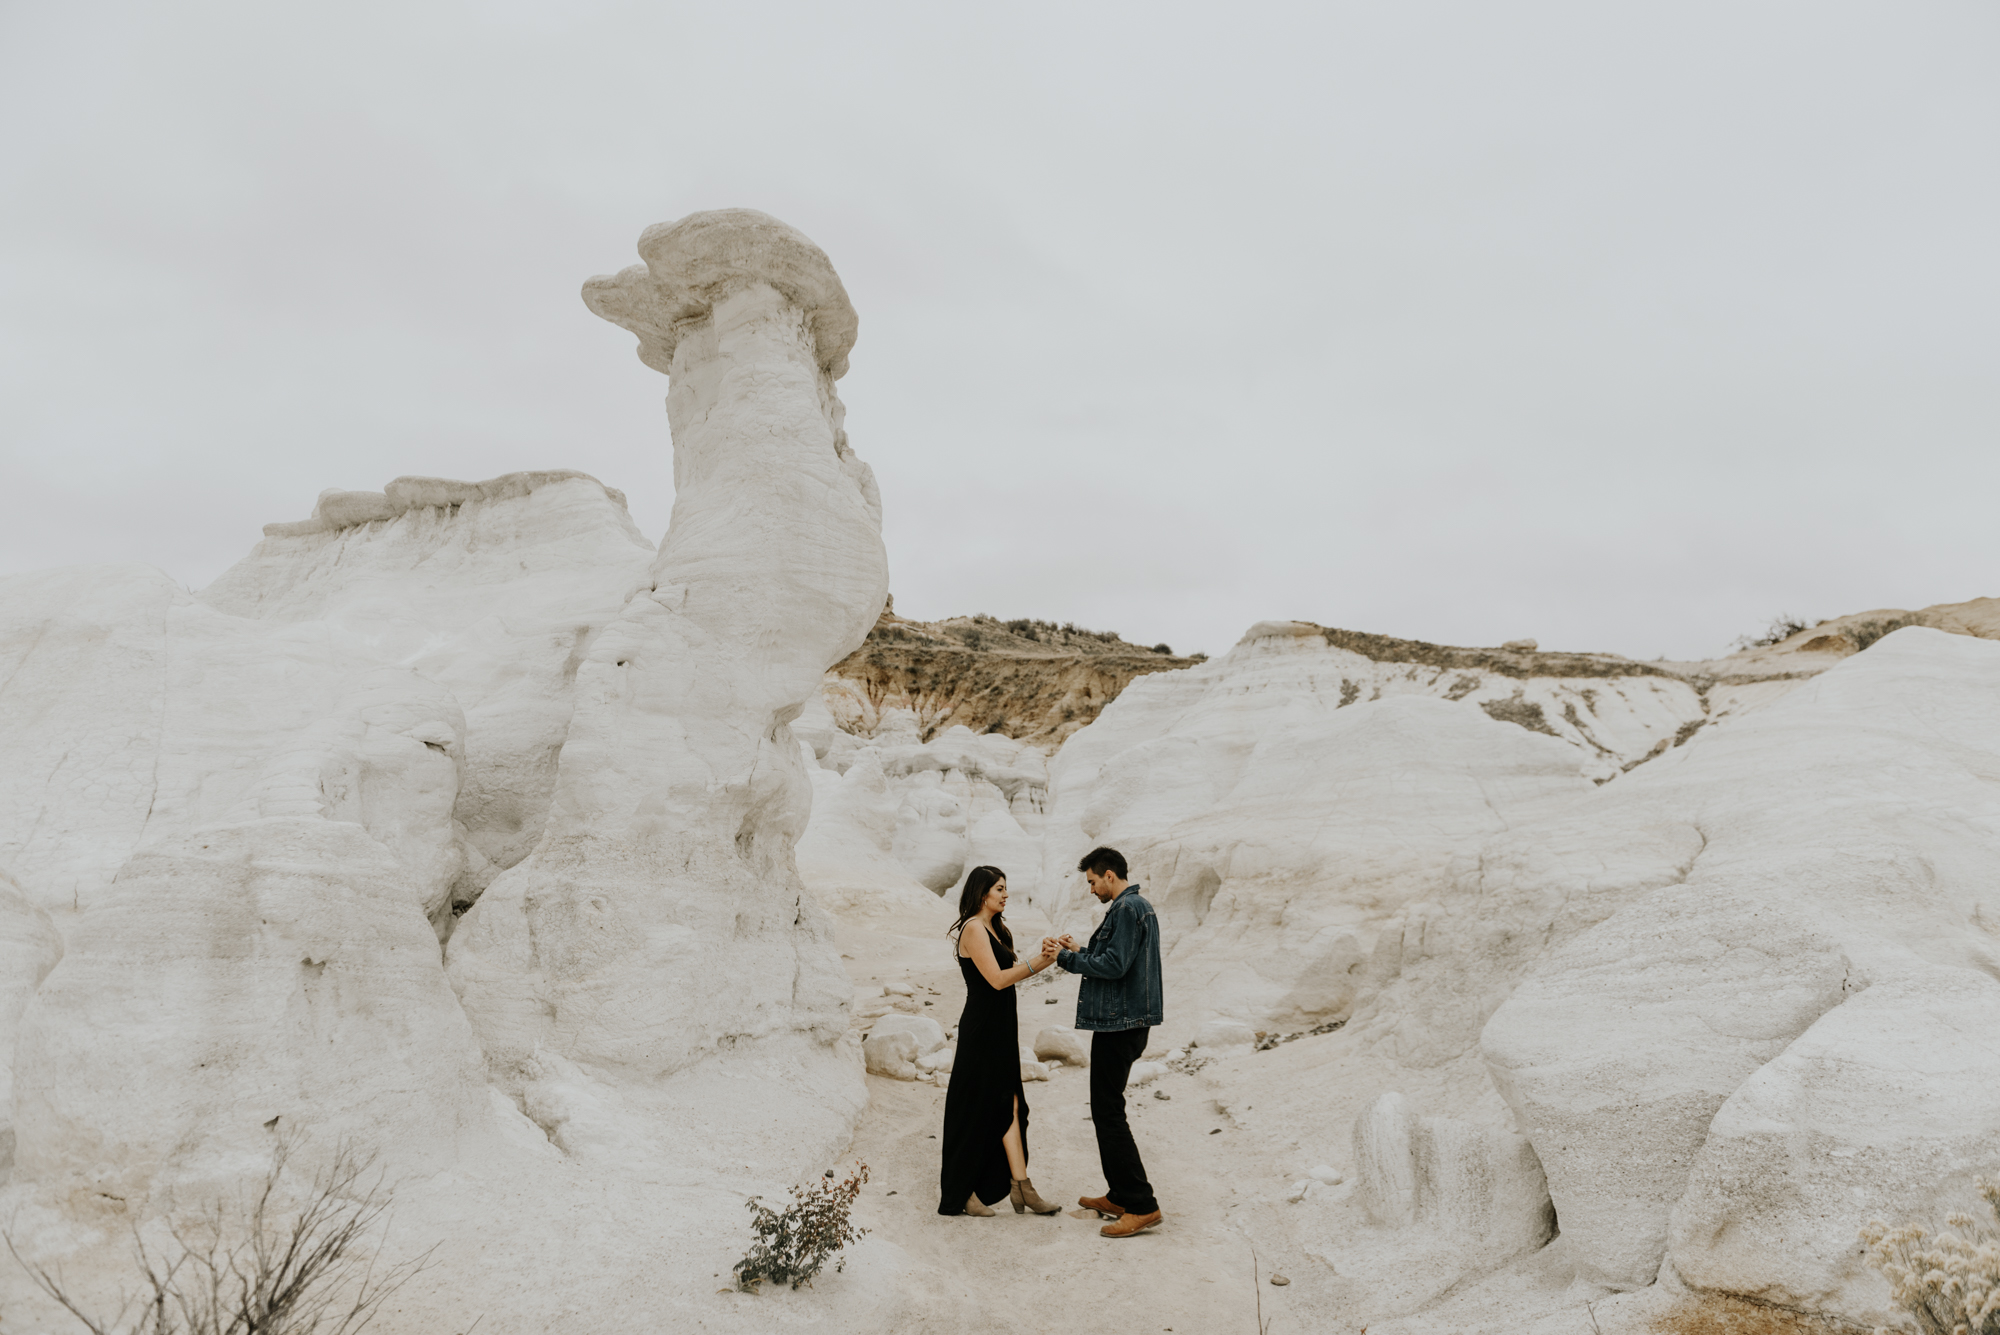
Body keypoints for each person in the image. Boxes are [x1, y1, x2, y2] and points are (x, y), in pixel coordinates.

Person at [1044, 846, 1164, 1238]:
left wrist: (1064, 959)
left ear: (1109, 875)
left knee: (1108, 1111)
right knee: (1105, 1109)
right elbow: (1115, 956)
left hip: (1120, 1025)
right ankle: (1120, 1195)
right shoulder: (1134, 907)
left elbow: (1114, 966)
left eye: (1093, 882)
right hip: (1124, 1022)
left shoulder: (1128, 909)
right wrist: (1079, 949)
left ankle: (1141, 1204)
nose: (1092, 889)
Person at [937, 865, 1063, 1217]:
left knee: (1011, 1106)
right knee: (974, 1109)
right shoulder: (974, 929)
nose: (1006, 895)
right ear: (982, 894)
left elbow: (1011, 971)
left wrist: (1045, 957)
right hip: (982, 1029)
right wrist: (1041, 961)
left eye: (1006, 889)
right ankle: (961, 1192)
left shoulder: (996, 929)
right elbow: (996, 980)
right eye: (999, 889)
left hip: (1001, 1026)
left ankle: (1022, 1188)